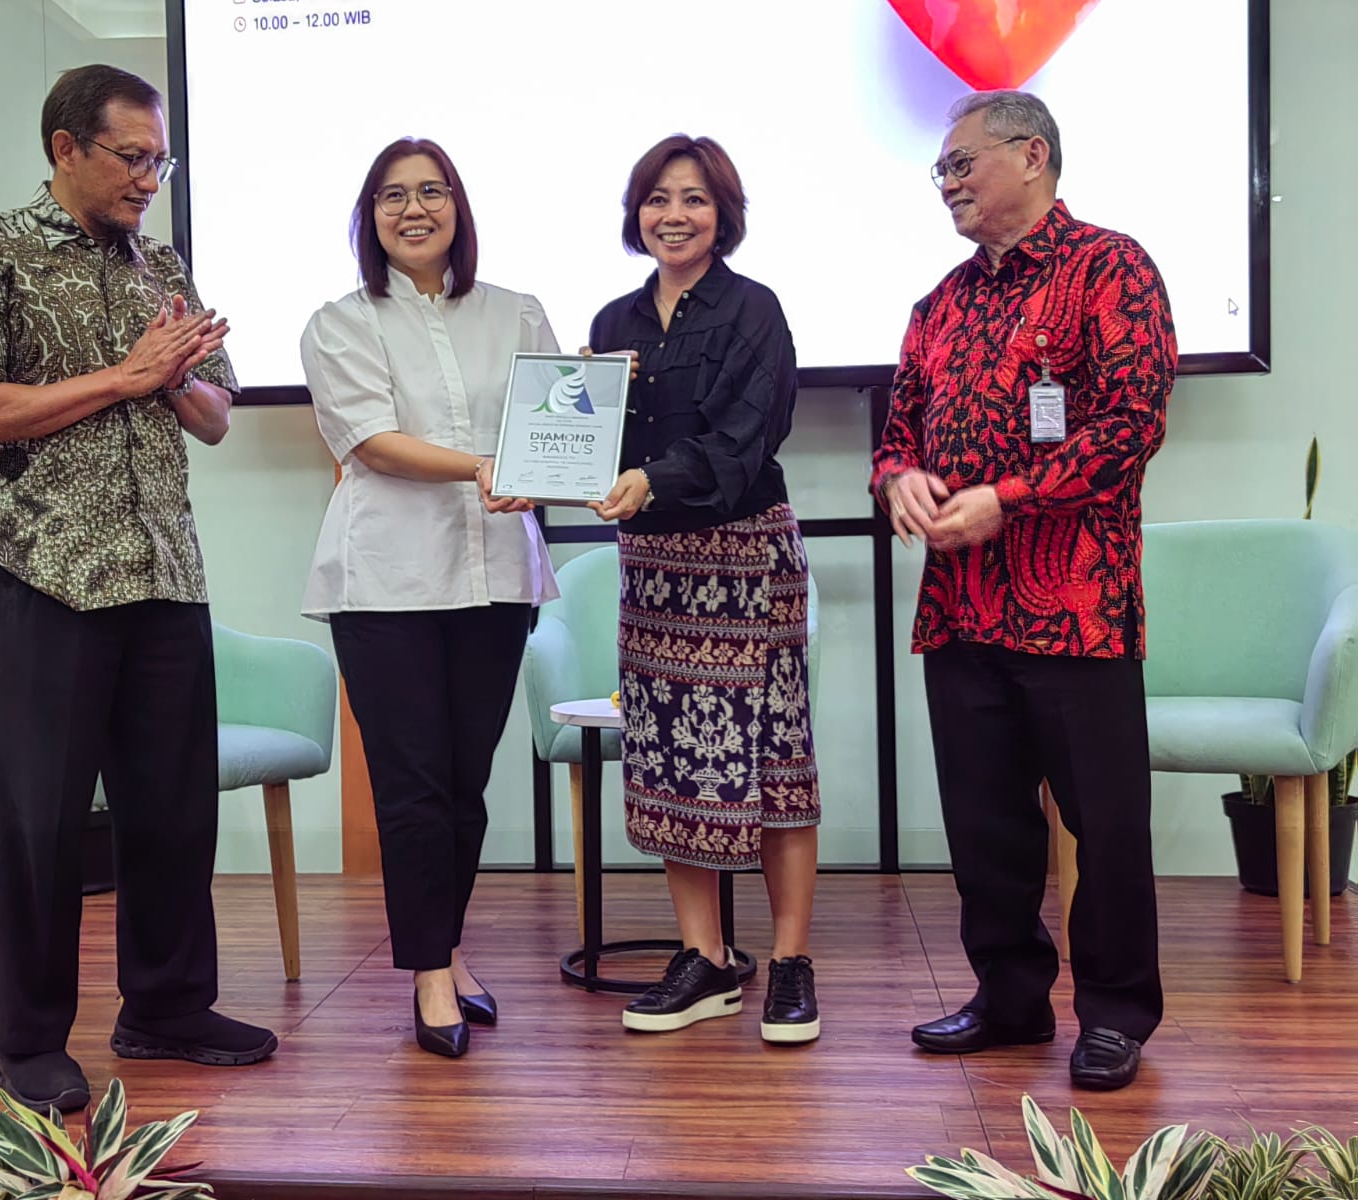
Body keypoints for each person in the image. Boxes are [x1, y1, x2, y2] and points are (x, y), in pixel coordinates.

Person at [0, 64, 277, 1114]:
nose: (149, 181)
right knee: (38, 820)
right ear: (64, 147)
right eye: (134, 158)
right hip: (48, 571)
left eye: (160, 160)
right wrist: (125, 378)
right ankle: (31, 1041)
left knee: (170, 810)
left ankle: (166, 1005)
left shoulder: (160, 260)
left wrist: (175, 378)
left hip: (164, 567)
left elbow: (217, 416)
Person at [871, 90, 1175, 1090]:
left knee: (1107, 825)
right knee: (986, 825)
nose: (948, 185)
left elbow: (1129, 427)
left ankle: (1117, 1013)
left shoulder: (1110, 267)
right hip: (960, 606)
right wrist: (899, 481)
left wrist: (1007, 499)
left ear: (1031, 157)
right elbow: (896, 438)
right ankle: (1007, 998)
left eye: (961, 164)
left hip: (1078, 606)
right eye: (941, 171)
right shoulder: (937, 305)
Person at [300, 137, 560, 1058]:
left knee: (464, 785)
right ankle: (428, 976)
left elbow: (554, 429)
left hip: (497, 575)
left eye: (433, 191)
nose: (414, 209)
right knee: (411, 791)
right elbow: (370, 439)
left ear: (459, 205)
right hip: (387, 582)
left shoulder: (517, 312)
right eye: (392, 196)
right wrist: (488, 463)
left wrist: (578, 429)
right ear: (369, 217)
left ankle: (445, 949)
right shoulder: (341, 322)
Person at [586, 135, 821, 1045]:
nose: (672, 215)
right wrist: (552, 453)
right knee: (676, 766)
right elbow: (594, 444)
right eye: (656, 198)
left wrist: (657, 477)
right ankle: (706, 959)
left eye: (692, 198)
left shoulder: (753, 310)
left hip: (743, 559)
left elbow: (748, 435)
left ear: (724, 211)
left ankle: (791, 963)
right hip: (656, 571)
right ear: (635, 212)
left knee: (772, 767)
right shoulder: (613, 323)